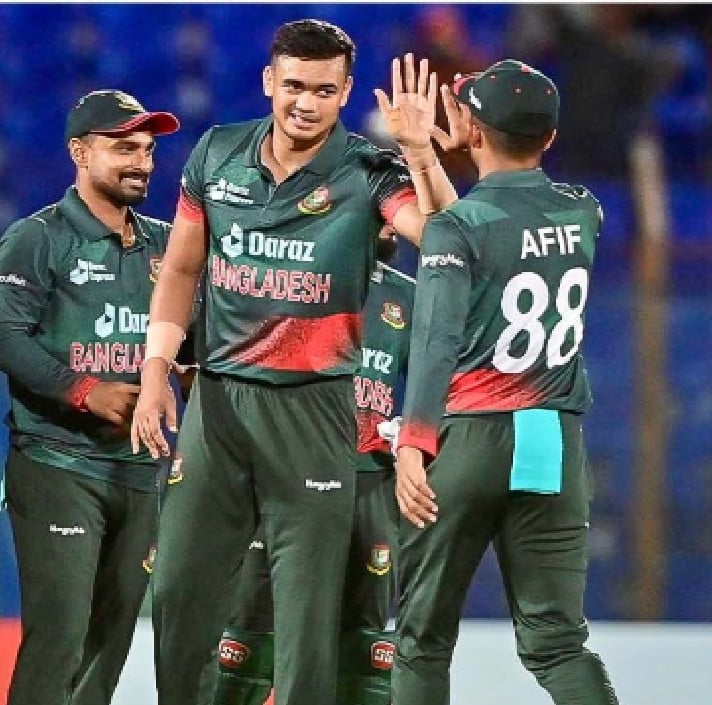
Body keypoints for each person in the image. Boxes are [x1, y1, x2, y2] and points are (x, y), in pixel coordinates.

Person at [129, 19, 460, 705]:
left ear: (345, 94)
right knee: (178, 592)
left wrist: (421, 155)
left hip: (314, 410)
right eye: (294, 86)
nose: (305, 103)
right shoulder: (217, 154)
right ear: (268, 82)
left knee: (307, 621)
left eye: (323, 90)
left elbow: (446, 243)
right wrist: (155, 371)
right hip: (218, 405)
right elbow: (182, 267)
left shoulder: (370, 171)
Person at [392, 60, 619, 705]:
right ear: (549, 136)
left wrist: (413, 442)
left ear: (472, 129)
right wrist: (424, 158)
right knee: (558, 643)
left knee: (421, 640)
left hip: (468, 439)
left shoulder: (459, 227)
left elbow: (436, 337)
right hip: (551, 437)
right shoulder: (584, 211)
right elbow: (486, 235)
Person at [0, 89, 179, 705]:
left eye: (147, 150)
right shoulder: (38, 237)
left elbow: (198, 343)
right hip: (57, 461)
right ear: (80, 152)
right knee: (60, 638)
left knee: (111, 643)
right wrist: (83, 390)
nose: (141, 163)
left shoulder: (168, 247)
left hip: (138, 469)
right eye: (124, 149)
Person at [211, 226, 414, 705]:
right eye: (381, 208)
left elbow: (440, 382)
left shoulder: (409, 297)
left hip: (369, 479)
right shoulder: (287, 277)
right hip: (284, 472)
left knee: (366, 645)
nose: (391, 222)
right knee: (251, 634)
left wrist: (415, 432)